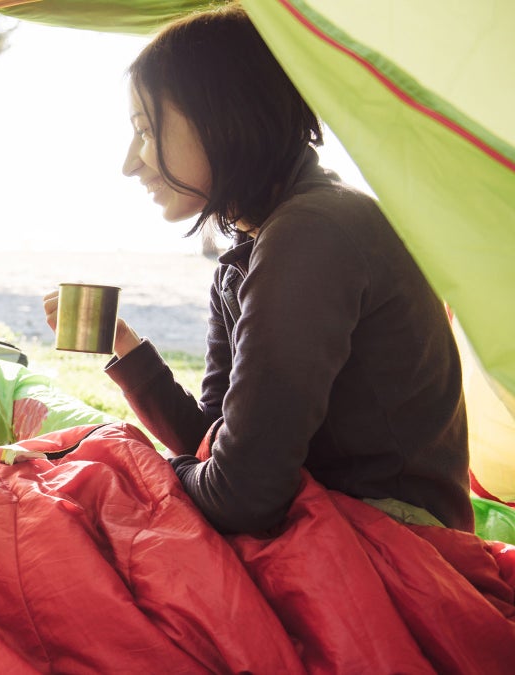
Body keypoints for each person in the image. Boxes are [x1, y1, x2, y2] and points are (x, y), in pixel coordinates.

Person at [41, 4, 471, 534]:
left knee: (74, 496)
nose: (131, 162)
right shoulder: (254, 248)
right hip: (332, 515)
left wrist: (141, 467)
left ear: (223, 116)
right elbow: (216, 440)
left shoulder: (314, 233)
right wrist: (128, 354)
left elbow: (240, 495)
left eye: (147, 130)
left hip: (398, 534)